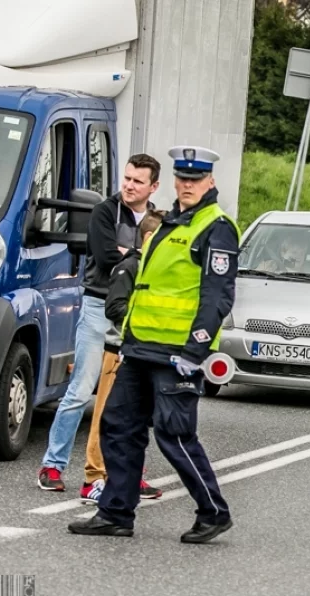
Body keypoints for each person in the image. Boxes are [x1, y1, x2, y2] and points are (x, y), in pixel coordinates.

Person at [68, 146, 240, 544]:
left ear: (210, 182)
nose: (187, 185)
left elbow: (217, 297)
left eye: (195, 179)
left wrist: (196, 350)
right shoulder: (170, 222)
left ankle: (213, 512)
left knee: (174, 434)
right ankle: (116, 513)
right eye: (182, 178)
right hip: (140, 347)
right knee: (118, 426)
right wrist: (128, 338)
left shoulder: (216, 227)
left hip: (176, 354)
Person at [38, 154, 161, 492]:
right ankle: (52, 466)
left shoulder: (157, 219)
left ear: (153, 186)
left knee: (131, 400)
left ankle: (128, 473)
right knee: (80, 390)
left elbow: (161, 263)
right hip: (98, 307)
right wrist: (140, 256)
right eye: (127, 178)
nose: (129, 185)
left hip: (136, 312)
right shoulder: (104, 212)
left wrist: (127, 253)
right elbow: (106, 257)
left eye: (138, 181)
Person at [80, 210, 165, 505]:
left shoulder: (157, 270)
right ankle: (92, 479)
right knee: (104, 418)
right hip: (118, 353)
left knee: (133, 421)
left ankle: (125, 476)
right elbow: (114, 307)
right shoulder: (129, 266)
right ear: (149, 237)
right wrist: (149, 315)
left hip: (143, 354)